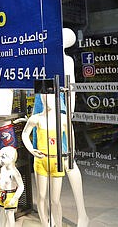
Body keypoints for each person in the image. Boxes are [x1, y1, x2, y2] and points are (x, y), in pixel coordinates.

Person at [31, 28, 89, 227]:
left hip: (60, 108)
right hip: (42, 106)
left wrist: (68, 116)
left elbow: (70, 88)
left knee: (68, 160)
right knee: (44, 158)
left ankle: (82, 213)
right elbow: (38, 86)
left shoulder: (67, 61)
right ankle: (48, 217)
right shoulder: (42, 57)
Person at [22, 92, 67, 227]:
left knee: (55, 199)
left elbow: (70, 139)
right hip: (41, 161)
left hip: (56, 161)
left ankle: (57, 224)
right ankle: (45, 224)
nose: (46, 98)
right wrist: (31, 150)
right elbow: (25, 134)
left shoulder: (63, 119)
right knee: (41, 196)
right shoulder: (36, 119)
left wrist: (68, 157)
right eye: (44, 96)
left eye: (51, 95)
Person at [0, 146, 24, 227]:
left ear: (11, 158)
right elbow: (1, 182)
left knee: (9, 215)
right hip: (2, 193)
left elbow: (21, 187)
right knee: (1, 213)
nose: (0, 159)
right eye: (0, 156)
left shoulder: (14, 172)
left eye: (3, 157)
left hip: (10, 195)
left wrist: (15, 198)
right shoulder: (3, 169)